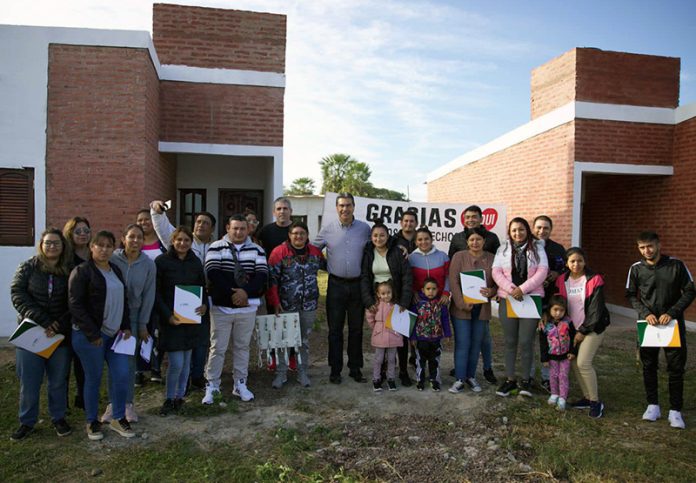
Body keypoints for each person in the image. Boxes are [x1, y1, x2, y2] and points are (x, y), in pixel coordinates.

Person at [69, 231, 134, 440]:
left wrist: (126, 326)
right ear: (92, 247)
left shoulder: (115, 270)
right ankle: (91, 421)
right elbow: (75, 306)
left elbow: (123, 300)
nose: (104, 249)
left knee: (122, 374)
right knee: (93, 378)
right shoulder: (82, 272)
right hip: (91, 337)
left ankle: (117, 417)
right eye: (100, 245)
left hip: (116, 335)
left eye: (109, 246)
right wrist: (92, 333)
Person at [626, 232, 695, 429]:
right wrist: (645, 313)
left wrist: (672, 312)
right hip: (648, 325)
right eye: (642, 247)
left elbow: (690, 291)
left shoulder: (676, 265)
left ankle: (675, 411)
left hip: (672, 325)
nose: (646, 250)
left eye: (650, 246)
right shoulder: (636, 268)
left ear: (658, 245)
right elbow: (631, 294)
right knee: (649, 366)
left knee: (675, 368)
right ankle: (652, 406)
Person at [10, 228, 73, 441]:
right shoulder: (28, 267)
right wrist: (44, 321)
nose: (52, 246)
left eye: (56, 243)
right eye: (48, 243)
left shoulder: (70, 269)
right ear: (41, 245)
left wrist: (58, 325)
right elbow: (17, 293)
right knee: (30, 380)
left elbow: (75, 300)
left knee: (58, 380)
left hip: (59, 335)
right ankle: (27, 421)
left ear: (63, 246)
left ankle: (58, 418)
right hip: (31, 332)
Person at [150, 201, 217, 390]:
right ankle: (178, 386)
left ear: (212, 228)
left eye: (205, 223)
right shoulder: (182, 244)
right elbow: (163, 227)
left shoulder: (217, 246)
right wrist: (156, 211)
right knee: (179, 347)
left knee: (202, 340)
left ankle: (197, 377)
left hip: (203, 300)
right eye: (198, 222)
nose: (200, 225)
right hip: (176, 304)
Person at [203, 214, 268, 404]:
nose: (239, 232)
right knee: (218, 347)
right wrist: (233, 293)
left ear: (248, 229)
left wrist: (245, 293)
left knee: (242, 347)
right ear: (227, 228)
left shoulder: (257, 250)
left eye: (242, 228)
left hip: (247, 308)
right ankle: (212, 385)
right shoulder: (215, 247)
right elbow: (213, 272)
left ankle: (240, 384)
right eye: (235, 228)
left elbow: (261, 275)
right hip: (222, 308)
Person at [101, 224, 155, 424]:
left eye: (139, 237)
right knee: (113, 364)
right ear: (123, 238)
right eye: (131, 237)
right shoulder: (112, 258)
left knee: (128, 364)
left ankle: (128, 404)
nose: (135, 241)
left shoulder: (149, 265)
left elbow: (149, 295)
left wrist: (142, 324)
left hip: (133, 318)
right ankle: (112, 405)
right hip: (111, 317)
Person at [314, 193, 371, 384]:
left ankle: (355, 368)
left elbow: (380, 244)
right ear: (336, 208)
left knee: (356, 329)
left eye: (348, 205)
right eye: (341, 206)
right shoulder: (327, 229)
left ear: (354, 207)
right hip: (336, 285)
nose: (344, 209)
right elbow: (313, 250)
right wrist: (324, 265)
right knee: (335, 330)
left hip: (357, 286)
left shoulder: (364, 229)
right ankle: (335, 369)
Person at [492, 217, 548, 398]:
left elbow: (542, 272)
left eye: (521, 230)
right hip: (508, 299)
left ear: (527, 231)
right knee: (509, 342)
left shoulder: (538, 248)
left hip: (530, 299)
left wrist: (522, 289)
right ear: (510, 232)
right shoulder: (503, 249)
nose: (518, 233)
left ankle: (526, 380)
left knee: (525, 342)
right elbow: (496, 272)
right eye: (514, 230)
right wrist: (511, 289)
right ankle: (510, 380)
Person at [155, 226, 208, 416]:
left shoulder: (195, 263)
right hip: (171, 320)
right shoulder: (162, 262)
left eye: (186, 240)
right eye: (179, 240)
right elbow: (157, 293)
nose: (182, 243)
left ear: (191, 242)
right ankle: (169, 398)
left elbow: (202, 288)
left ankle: (179, 398)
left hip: (191, 319)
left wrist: (204, 306)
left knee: (186, 362)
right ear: (172, 241)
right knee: (176, 362)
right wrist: (167, 315)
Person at [266, 221, 326, 388]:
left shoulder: (314, 253)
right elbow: (272, 280)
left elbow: (329, 266)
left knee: (303, 340)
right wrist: (275, 302)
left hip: (309, 305)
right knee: (283, 339)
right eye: (295, 233)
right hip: (286, 305)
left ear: (307, 236)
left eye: (302, 233)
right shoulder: (279, 252)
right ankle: (281, 373)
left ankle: (302, 371)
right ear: (290, 235)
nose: (299, 236)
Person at [555, 247, 611, 418]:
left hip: (593, 328)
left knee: (583, 363)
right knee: (573, 363)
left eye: (580, 260)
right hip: (571, 329)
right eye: (572, 261)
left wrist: (583, 331)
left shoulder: (595, 279)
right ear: (566, 263)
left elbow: (596, 311)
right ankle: (587, 398)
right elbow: (557, 303)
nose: (576, 264)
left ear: (585, 261)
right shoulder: (561, 280)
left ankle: (595, 402)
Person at [447, 205, 500, 385]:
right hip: (462, 307)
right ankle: (460, 377)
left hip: (482, 307)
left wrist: (492, 291)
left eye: (479, 240)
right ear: (467, 241)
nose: (475, 242)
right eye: (472, 240)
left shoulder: (492, 256)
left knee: (477, 343)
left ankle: (472, 376)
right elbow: (453, 279)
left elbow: (498, 279)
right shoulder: (458, 253)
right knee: (463, 343)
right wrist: (461, 302)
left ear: (484, 241)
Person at [360, 220, 413, 385]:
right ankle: (383, 371)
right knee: (382, 336)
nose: (378, 238)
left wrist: (404, 301)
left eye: (382, 235)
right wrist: (369, 301)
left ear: (388, 235)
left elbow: (406, 277)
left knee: (400, 337)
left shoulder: (397, 251)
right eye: (375, 235)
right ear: (371, 237)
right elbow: (364, 278)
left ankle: (403, 371)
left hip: (396, 300)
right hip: (378, 299)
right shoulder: (368, 253)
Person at [407, 226, 450, 386]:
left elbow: (447, 277)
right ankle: (418, 370)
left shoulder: (443, 257)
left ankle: (434, 373)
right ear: (416, 241)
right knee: (418, 339)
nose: (423, 242)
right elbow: (408, 277)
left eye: (426, 239)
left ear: (432, 239)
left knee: (434, 343)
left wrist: (446, 292)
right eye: (419, 239)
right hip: (419, 302)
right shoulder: (411, 258)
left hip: (438, 302)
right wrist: (412, 292)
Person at [532, 215, 567, 392]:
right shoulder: (527, 247)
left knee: (550, 341)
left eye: (545, 228)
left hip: (551, 303)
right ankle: (528, 376)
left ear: (551, 230)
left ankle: (548, 378)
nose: (541, 231)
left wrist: (556, 274)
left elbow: (566, 269)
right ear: (533, 228)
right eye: (538, 227)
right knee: (528, 341)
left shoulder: (558, 249)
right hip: (530, 301)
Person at [63, 216, 91, 409]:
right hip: (66, 314)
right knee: (63, 363)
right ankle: (61, 403)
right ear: (70, 234)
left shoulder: (94, 255)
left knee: (83, 362)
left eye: (86, 231)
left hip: (88, 317)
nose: (82, 234)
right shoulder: (65, 258)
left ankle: (82, 396)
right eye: (78, 231)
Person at [411, 277, 452, 391]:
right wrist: (413, 337)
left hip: (436, 339)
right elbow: (413, 321)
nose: (431, 291)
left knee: (435, 361)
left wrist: (447, 334)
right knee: (420, 361)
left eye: (434, 289)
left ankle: (434, 380)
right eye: (428, 289)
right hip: (421, 338)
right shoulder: (417, 304)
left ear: (438, 290)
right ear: (423, 290)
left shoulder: (440, 304)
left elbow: (445, 319)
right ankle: (420, 380)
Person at [538, 295, 577, 410]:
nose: (558, 313)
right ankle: (554, 394)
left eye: (561, 310)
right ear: (550, 309)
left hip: (565, 356)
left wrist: (572, 351)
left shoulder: (568, 322)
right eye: (555, 309)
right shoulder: (545, 324)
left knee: (563, 376)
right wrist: (544, 358)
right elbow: (543, 342)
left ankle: (562, 398)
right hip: (552, 357)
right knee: (553, 375)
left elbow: (574, 337)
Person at [366, 281, 403, 392]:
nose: (386, 295)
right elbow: (370, 317)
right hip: (379, 336)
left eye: (388, 293)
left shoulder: (396, 306)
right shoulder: (375, 305)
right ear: (378, 294)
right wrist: (377, 328)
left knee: (392, 359)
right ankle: (376, 379)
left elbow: (401, 320)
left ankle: (391, 379)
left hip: (393, 336)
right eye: (383, 293)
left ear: (392, 293)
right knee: (379, 359)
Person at [258, 197, 293, 263]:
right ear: (274, 212)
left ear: (291, 211)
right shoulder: (265, 231)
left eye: (285, 208)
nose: (282, 211)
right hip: (271, 269)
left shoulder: (298, 230)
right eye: (279, 209)